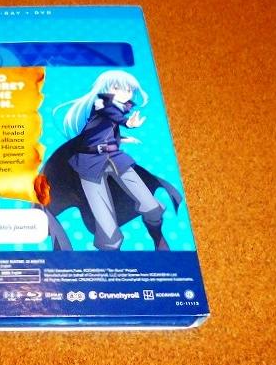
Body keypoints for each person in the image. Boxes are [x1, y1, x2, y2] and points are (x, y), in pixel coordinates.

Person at [43, 70, 180, 251]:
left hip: (116, 159)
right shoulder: (101, 102)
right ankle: (112, 259)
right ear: (106, 88)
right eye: (117, 87)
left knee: (152, 208)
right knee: (108, 233)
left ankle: (158, 237)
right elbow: (109, 113)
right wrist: (127, 123)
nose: (124, 93)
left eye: (128, 89)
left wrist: (121, 138)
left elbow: (102, 129)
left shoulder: (120, 107)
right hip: (90, 164)